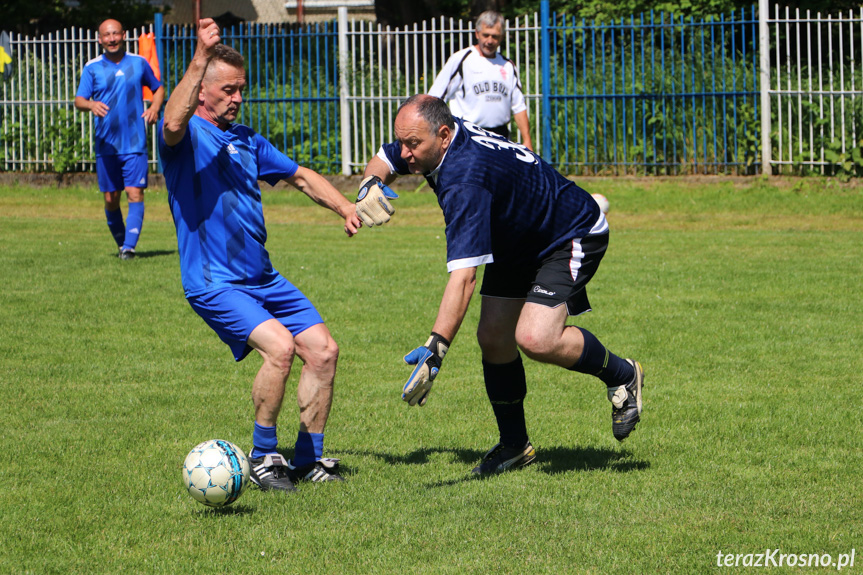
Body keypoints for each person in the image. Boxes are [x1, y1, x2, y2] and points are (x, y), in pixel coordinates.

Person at [361, 94, 644, 475]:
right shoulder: (433, 139)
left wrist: (436, 349)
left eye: (414, 144)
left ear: (443, 135)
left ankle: (623, 375)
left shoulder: (465, 178)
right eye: (404, 142)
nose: (406, 153)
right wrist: (369, 184)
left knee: (536, 338)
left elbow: (463, 278)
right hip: (517, 239)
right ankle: (514, 445)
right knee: (494, 338)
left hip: (568, 233)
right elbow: (385, 157)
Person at [158, 19, 363, 492]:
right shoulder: (185, 140)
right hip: (214, 281)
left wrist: (345, 208)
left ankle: (309, 459)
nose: (237, 98)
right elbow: (171, 120)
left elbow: (301, 176)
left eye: (241, 89)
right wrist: (197, 58)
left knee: (324, 351)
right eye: (228, 90)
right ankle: (263, 456)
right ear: (203, 91)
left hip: (262, 277)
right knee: (280, 348)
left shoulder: (248, 140)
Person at [75, 19, 164, 260]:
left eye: (115, 34)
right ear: (100, 39)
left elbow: (158, 88)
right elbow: (79, 100)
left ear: (123, 35)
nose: (112, 38)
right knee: (111, 198)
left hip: (135, 142)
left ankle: (129, 248)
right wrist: (91, 104)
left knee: (135, 193)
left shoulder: (138, 62)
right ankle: (123, 243)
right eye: (107, 35)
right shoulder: (92, 67)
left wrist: (155, 107)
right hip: (106, 144)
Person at [428, 10, 533, 151]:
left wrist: (527, 140)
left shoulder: (508, 66)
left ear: (501, 37)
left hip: (500, 136)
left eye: (495, 36)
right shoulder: (461, 60)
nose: (490, 41)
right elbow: (435, 98)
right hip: (468, 135)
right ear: (477, 34)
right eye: (486, 35)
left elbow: (519, 106)